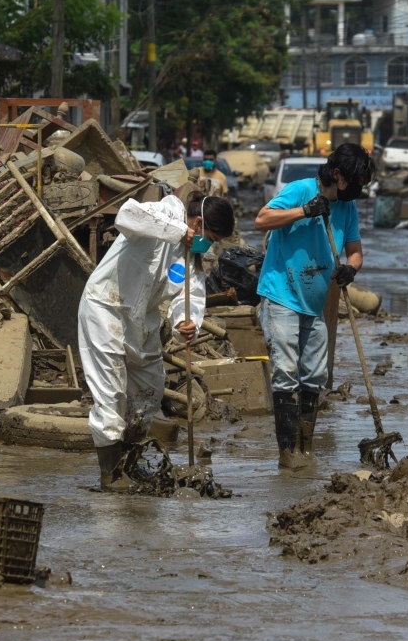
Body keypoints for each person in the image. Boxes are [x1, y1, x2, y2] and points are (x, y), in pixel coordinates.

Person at [79, 190, 236, 490]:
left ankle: (129, 460)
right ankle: (110, 476)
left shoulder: (193, 262)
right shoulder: (163, 213)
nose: (211, 244)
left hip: (142, 322)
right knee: (111, 393)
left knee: (149, 392)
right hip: (105, 308)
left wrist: (185, 323)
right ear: (198, 222)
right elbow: (126, 215)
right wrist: (178, 232)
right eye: (211, 237)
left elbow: (188, 300)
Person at [253, 143, 375, 468]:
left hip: (315, 302)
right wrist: (305, 211)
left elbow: (355, 251)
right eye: (357, 183)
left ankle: (306, 449)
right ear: (338, 175)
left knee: (315, 375)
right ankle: (287, 454)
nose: (360, 191)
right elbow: (262, 220)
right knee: (286, 372)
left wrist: (352, 267)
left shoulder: (347, 209)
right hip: (281, 294)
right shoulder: (300, 190)